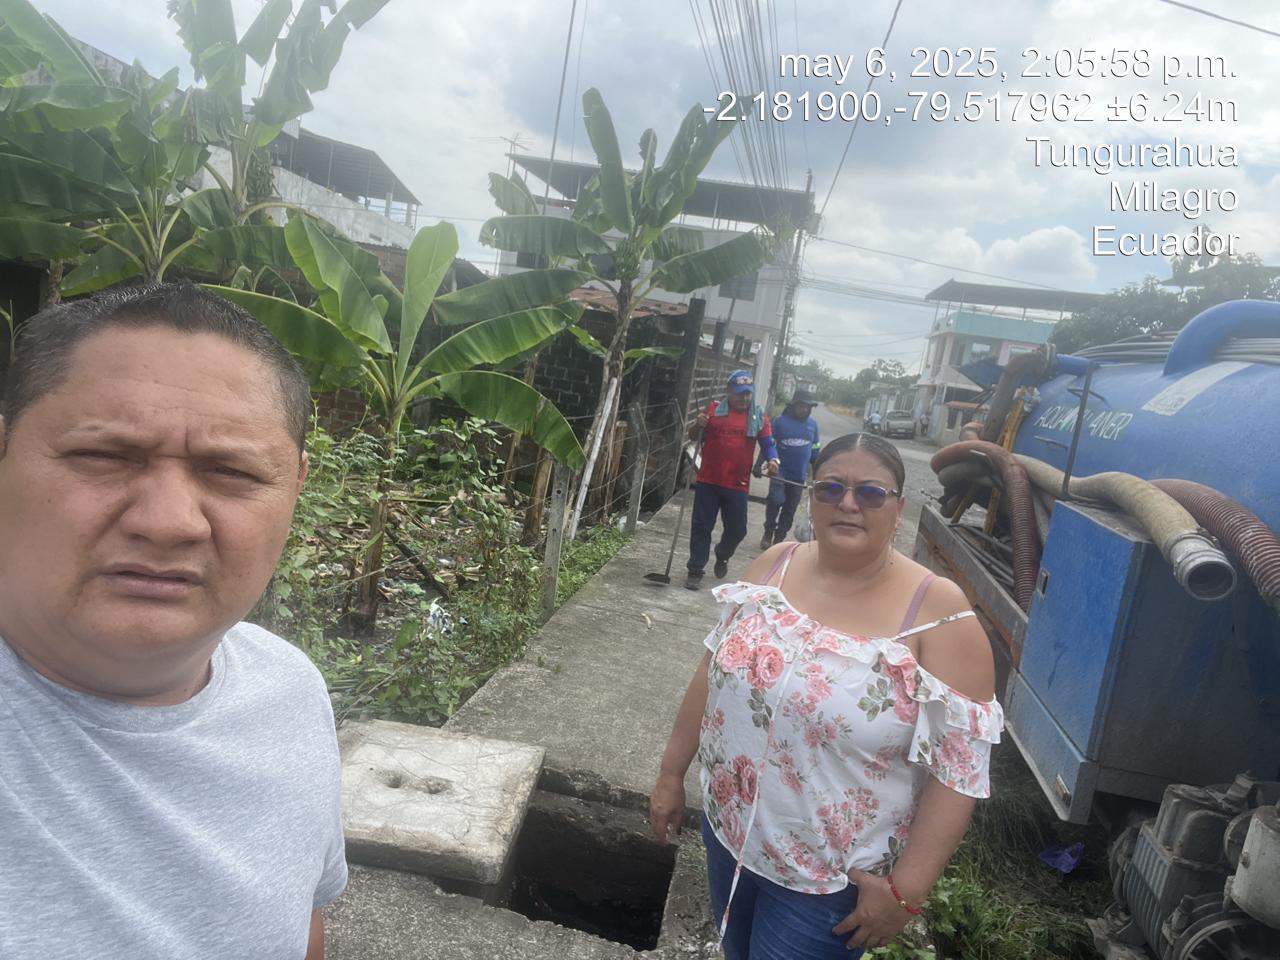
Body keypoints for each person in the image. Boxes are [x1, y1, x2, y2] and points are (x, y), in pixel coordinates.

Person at [0, 284, 345, 959]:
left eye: (232, 470)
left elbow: (300, 923)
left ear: (297, 487)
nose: (168, 522)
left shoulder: (290, 690)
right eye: (104, 456)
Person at [651, 432, 1002, 959]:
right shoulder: (774, 565)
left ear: (899, 507)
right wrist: (670, 774)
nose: (848, 503)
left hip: (828, 884)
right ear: (811, 496)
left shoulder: (940, 616)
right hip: (729, 837)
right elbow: (712, 670)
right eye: (831, 488)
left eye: (871, 493)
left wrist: (906, 892)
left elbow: (959, 773)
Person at [686, 370, 779, 591]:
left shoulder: (758, 416)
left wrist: (773, 460)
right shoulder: (713, 411)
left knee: (738, 529)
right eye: (739, 393)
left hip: (737, 484)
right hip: (708, 480)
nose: (744, 398)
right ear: (729, 391)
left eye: (748, 393)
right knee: (701, 527)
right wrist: (699, 424)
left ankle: (723, 554)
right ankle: (695, 570)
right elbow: (693, 436)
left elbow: (768, 444)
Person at [760, 387, 820, 550]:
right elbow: (767, 444)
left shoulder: (813, 426)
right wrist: (759, 464)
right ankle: (768, 531)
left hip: (799, 475)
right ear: (793, 405)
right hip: (779, 470)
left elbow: (815, 451)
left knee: (790, 508)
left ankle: (779, 537)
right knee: (775, 500)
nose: (804, 409)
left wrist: (817, 474)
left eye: (807, 407)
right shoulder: (779, 422)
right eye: (801, 406)